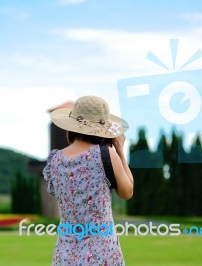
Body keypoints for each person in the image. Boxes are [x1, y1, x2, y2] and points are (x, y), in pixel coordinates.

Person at [43, 95, 134, 265]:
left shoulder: (55, 160)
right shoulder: (105, 155)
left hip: (65, 254)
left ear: (71, 126)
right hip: (103, 253)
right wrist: (120, 150)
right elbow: (127, 192)